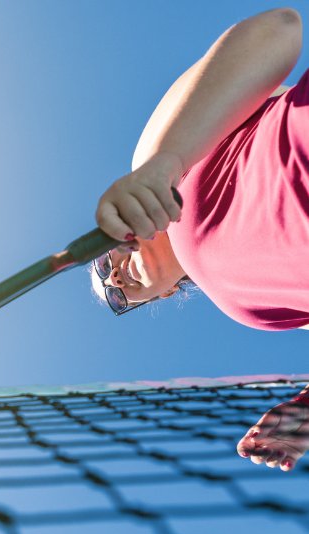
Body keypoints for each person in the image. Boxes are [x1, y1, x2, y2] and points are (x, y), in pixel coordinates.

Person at [86, 8, 309, 472]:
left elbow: (277, 30)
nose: (115, 279)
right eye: (117, 297)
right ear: (164, 294)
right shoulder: (249, 311)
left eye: (103, 263)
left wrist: (162, 164)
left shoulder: (161, 158)